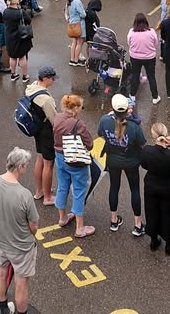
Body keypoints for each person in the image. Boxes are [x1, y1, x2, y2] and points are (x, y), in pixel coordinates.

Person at [0, 148, 40, 314]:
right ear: (20, 167)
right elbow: (34, 226)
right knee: (21, 284)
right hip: (21, 247)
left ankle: (3, 308)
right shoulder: (24, 195)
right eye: (26, 165)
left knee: (1, 274)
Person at [98, 94, 146, 236]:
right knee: (135, 189)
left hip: (112, 159)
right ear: (127, 109)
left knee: (114, 187)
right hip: (131, 161)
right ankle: (137, 224)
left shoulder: (105, 120)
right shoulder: (134, 126)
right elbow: (142, 143)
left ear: (112, 108)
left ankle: (114, 220)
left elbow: (100, 133)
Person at [140, 122, 170, 255]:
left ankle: (154, 240)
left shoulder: (147, 150)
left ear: (153, 135)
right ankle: (168, 243)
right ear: (165, 135)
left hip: (151, 186)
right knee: (169, 213)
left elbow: (144, 165)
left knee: (152, 211)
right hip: (168, 187)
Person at [53, 94, 94, 238]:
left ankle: (62, 218)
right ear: (75, 108)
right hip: (75, 160)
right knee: (79, 191)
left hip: (59, 156)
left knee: (62, 186)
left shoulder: (57, 117)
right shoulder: (78, 124)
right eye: (81, 107)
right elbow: (90, 144)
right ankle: (79, 228)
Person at [24, 67, 57, 205]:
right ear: (45, 79)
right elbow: (54, 120)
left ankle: (39, 191)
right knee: (48, 164)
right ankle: (48, 197)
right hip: (47, 132)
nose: (54, 80)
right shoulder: (45, 99)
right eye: (52, 78)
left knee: (39, 159)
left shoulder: (31, 87)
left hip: (37, 129)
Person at [127, 12, 160, 104]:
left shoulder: (131, 32)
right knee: (151, 76)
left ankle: (132, 95)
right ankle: (155, 97)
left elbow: (129, 43)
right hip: (149, 57)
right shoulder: (151, 32)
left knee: (135, 75)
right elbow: (156, 43)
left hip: (135, 57)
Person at [2, 0, 32, 84]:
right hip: (20, 36)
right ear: (17, 2)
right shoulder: (21, 12)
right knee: (22, 56)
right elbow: (28, 20)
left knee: (12, 56)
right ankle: (25, 75)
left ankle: (13, 74)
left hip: (9, 36)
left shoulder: (6, 11)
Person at [66, 0, 86, 67]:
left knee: (74, 42)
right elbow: (83, 14)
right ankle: (76, 60)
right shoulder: (77, 2)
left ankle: (72, 59)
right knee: (79, 43)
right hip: (79, 24)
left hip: (72, 24)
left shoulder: (69, 1)